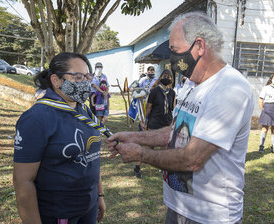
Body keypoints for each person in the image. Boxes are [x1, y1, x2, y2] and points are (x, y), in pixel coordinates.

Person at [107, 11, 254, 224]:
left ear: (200, 46)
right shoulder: (189, 83)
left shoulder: (230, 89)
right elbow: (173, 131)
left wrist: (141, 154)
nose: (173, 59)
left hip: (210, 217)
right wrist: (133, 136)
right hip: (178, 206)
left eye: (175, 51)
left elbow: (192, 159)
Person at [13, 52, 106, 224]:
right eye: (78, 77)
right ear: (56, 81)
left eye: (87, 76)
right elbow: (23, 181)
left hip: (88, 207)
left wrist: (99, 195)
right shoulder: (37, 118)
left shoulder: (83, 110)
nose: (85, 82)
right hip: (58, 213)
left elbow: (91, 156)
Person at [132, 66, 158, 178]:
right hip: (143, 113)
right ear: (147, 72)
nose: (151, 73)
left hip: (153, 113)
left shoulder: (157, 81)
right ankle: (138, 167)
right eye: (149, 71)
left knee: (151, 143)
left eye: (152, 71)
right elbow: (134, 91)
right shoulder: (143, 81)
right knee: (144, 142)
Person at [258, 74, 274, 153]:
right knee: (264, 129)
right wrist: (263, 110)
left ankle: (273, 148)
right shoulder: (266, 88)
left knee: (273, 130)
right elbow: (261, 100)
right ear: (272, 78)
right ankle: (261, 147)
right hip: (267, 108)